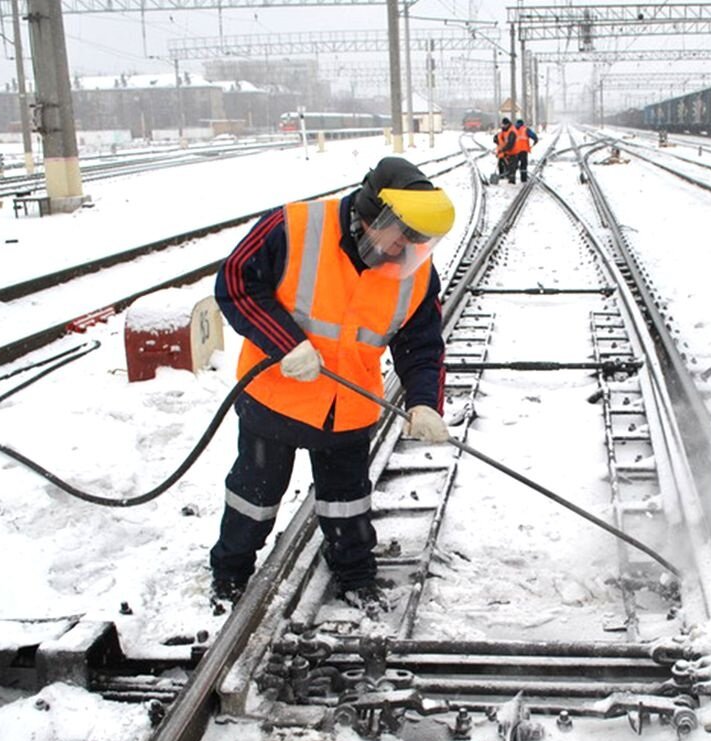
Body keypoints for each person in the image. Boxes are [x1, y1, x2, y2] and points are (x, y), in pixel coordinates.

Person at [210, 156, 455, 608]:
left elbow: (421, 343)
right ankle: (230, 573)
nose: (406, 247)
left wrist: (424, 403)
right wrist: (287, 343)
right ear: (370, 214)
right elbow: (235, 283)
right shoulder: (294, 226)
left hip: (348, 409)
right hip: (275, 399)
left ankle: (355, 573)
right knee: (253, 498)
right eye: (400, 233)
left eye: (417, 239)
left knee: (348, 503)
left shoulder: (415, 267)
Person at [493, 117, 517, 184]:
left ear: (507, 124)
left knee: (512, 168)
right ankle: (505, 177)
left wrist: (503, 149)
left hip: (513, 153)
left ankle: (512, 181)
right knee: (505, 165)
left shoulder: (512, 131)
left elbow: (510, 144)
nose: (503, 126)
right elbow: (499, 137)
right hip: (506, 152)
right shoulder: (505, 130)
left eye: (504, 125)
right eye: (502, 125)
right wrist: (496, 139)